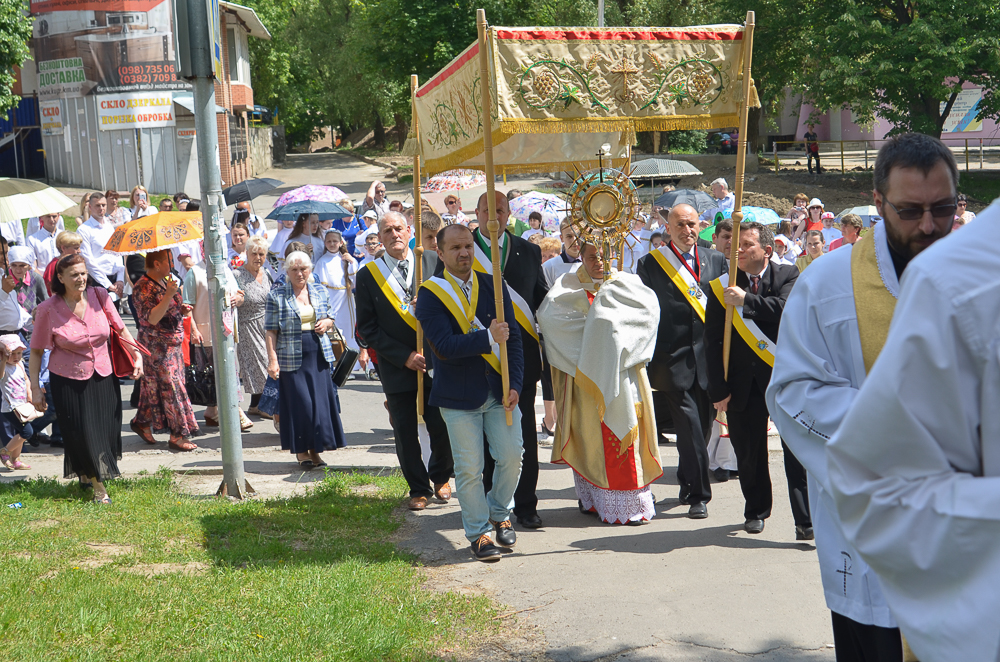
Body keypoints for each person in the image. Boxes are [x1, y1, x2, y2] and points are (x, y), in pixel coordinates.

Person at [767, 132, 959, 661]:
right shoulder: (828, 283)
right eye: (910, 210)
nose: (928, 224)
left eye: (942, 208)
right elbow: (792, 393)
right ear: (878, 202)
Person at [416, 224, 524, 561]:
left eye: (468, 246)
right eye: (456, 248)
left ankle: (499, 511)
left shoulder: (493, 285)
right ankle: (479, 534)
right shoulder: (430, 294)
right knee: (469, 468)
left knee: (511, 457)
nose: (464, 253)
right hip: (458, 396)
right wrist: (488, 338)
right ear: (441, 252)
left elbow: (514, 338)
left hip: (498, 389)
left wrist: (516, 384)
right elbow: (445, 347)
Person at [539, 242, 662, 524]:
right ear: (580, 256)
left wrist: (616, 339)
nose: (599, 262)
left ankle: (631, 502)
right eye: (592, 256)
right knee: (589, 436)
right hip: (586, 376)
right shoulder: (567, 285)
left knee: (628, 432)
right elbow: (550, 319)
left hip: (624, 373)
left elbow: (648, 315)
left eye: (604, 256)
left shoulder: (628, 282)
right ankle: (594, 499)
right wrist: (595, 339)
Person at [704, 222, 810, 537]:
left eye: (746, 244)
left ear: (766, 249)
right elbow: (711, 342)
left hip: (784, 378)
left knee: (797, 453)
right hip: (740, 384)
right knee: (749, 453)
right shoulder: (721, 285)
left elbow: (787, 309)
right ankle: (756, 510)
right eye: (734, 244)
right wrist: (717, 388)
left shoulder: (788, 275)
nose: (737, 249)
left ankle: (805, 520)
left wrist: (745, 301)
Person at [453, 190, 548, 530]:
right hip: (478, 358)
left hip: (520, 361)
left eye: (500, 210)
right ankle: (495, 507)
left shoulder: (529, 251)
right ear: (475, 213)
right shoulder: (460, 252)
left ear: (509, 214)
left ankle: (526, 505)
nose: (493, 217)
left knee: (521, 439)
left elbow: (541, 301)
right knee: (484, 440)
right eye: (486, 210)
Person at [355, 212, 454, 509]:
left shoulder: (434, 263)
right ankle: (418, 488)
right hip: (397, 365)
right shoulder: (368, 276)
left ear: (409, 230)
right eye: (387, 231)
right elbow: (368, 328)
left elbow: (454, 307)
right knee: (405, 429)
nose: (394, 234)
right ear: (380, 237)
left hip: (436, 359)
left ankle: (441, 477)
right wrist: (404, 356)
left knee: (441, 424)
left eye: (399, 228)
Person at [636, 203, 727, 519]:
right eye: (680, 225)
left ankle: (687, 482)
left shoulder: (716, 259)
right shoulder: (650, 263)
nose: (687, 231)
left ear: (700, 226)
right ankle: (700, 495)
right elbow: (644, 312)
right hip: (672, 360)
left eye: (692, 225)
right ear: (668, 228)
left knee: (701, 430)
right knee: (688, 427)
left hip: (710, 362)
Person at [30, 254, 143, 503]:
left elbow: (121, 328)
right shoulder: (48, 309)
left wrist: (137, 354)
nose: (81, 278)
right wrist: (35, 388)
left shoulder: (99, 296)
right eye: (74, 275)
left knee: (106, 428)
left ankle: (86, 472)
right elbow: (36, 352)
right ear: (60, 278)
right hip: (67, 380)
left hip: (103, 373)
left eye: (83, 273)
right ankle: (99, 487)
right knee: (83, 431)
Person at [265, 251, 347, 468]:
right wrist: (272, 360)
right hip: (290, 356)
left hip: (318, 354)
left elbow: (331, 314)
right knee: (301, 404)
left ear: (310, 270)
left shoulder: (319, 290)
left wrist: (328, 322)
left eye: (303, 269)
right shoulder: (277, 295)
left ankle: (316, 451)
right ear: (287, 271)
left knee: (319, 405)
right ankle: (302, 451)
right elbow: (271, 331)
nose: (299, 274)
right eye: (294, 270)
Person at [131, 249, 200, 451]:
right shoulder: (141, 287)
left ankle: (142, 422)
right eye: (168, 260)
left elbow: (172, 306)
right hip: (156, 346)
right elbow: (151, 318)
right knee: (172, 387)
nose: (172, 264)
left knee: (154, 388)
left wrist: (182, 308)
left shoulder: (166, 280)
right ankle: (177, 434)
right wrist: (169, 295)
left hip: (173, 343)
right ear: (157, 264)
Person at [182, 247, 252, 432]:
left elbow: (239, 294)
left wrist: (238, 298)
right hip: (206, 333)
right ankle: (235, 411)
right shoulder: (195, 272)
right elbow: (187, 306)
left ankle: (212, 411)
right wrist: (194, 330)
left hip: (228, 331)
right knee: (219, 373)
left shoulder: (225, 269)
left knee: (224, 371)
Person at [234, 236, 273, 418]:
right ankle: (264, 405)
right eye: (254, 254)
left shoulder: (267, 273)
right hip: (248, 325)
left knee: (268, 362)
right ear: (247, 254)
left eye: (262, 254)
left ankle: (256, 404)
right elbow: (232, 297)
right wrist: (239, 300)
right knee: (261, 365)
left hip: (267, 325)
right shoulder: (237, 275)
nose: (258, 257)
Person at [314, 229, 361, 367]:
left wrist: (352, 262)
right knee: (335, 331)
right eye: (329, 241)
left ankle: (352, 365)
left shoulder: (346, 259)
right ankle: (337, 364)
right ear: (325, 243)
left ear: (341, 243)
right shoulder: (322, 262)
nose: (332, 243)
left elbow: (355, 280)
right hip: (331, 299)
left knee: (349, 330)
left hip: (345, 299)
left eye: (335, 241)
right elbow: (319, 286)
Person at [78, 192, 125, 299]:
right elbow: (88, 260)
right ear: (90, 207)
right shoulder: (84, 230)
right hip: (97, 281)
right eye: (97, 205)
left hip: (114, 279)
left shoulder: (109, 227)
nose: (101, 208)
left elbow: (117, 253)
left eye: (103, 205)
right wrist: (107, 284)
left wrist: (120, 279)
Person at [0, 335, 34, 471]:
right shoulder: (4, 367)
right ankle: (5, 452)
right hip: (10, 408)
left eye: (19, 353)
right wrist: (3, 360)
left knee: (21, 431)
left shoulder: (19, 365)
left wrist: (30, 394)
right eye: (12, 354)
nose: (16, 356)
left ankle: (16, 460)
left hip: (22, 406)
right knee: (27, 432)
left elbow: (26, 379)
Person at [6, 246, 47, 344]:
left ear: (29, 266)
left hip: (33, 328)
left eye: (22, 265)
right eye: (14, 265)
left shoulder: (36, 278)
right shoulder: (5, 280)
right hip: (12, 329)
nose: (18, 269)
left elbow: (45, 301)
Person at [542, 220, 582, 288]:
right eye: (569, 236)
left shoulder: (593, 264)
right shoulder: (549, 267)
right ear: (562, 238)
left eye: (578, 235)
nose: (574, 240)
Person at [42, 231, 82, 296]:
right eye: (76, 248)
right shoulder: (54, 266)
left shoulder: (75, 262)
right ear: (63, 248)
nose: (79, 251)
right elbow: (50, 289)